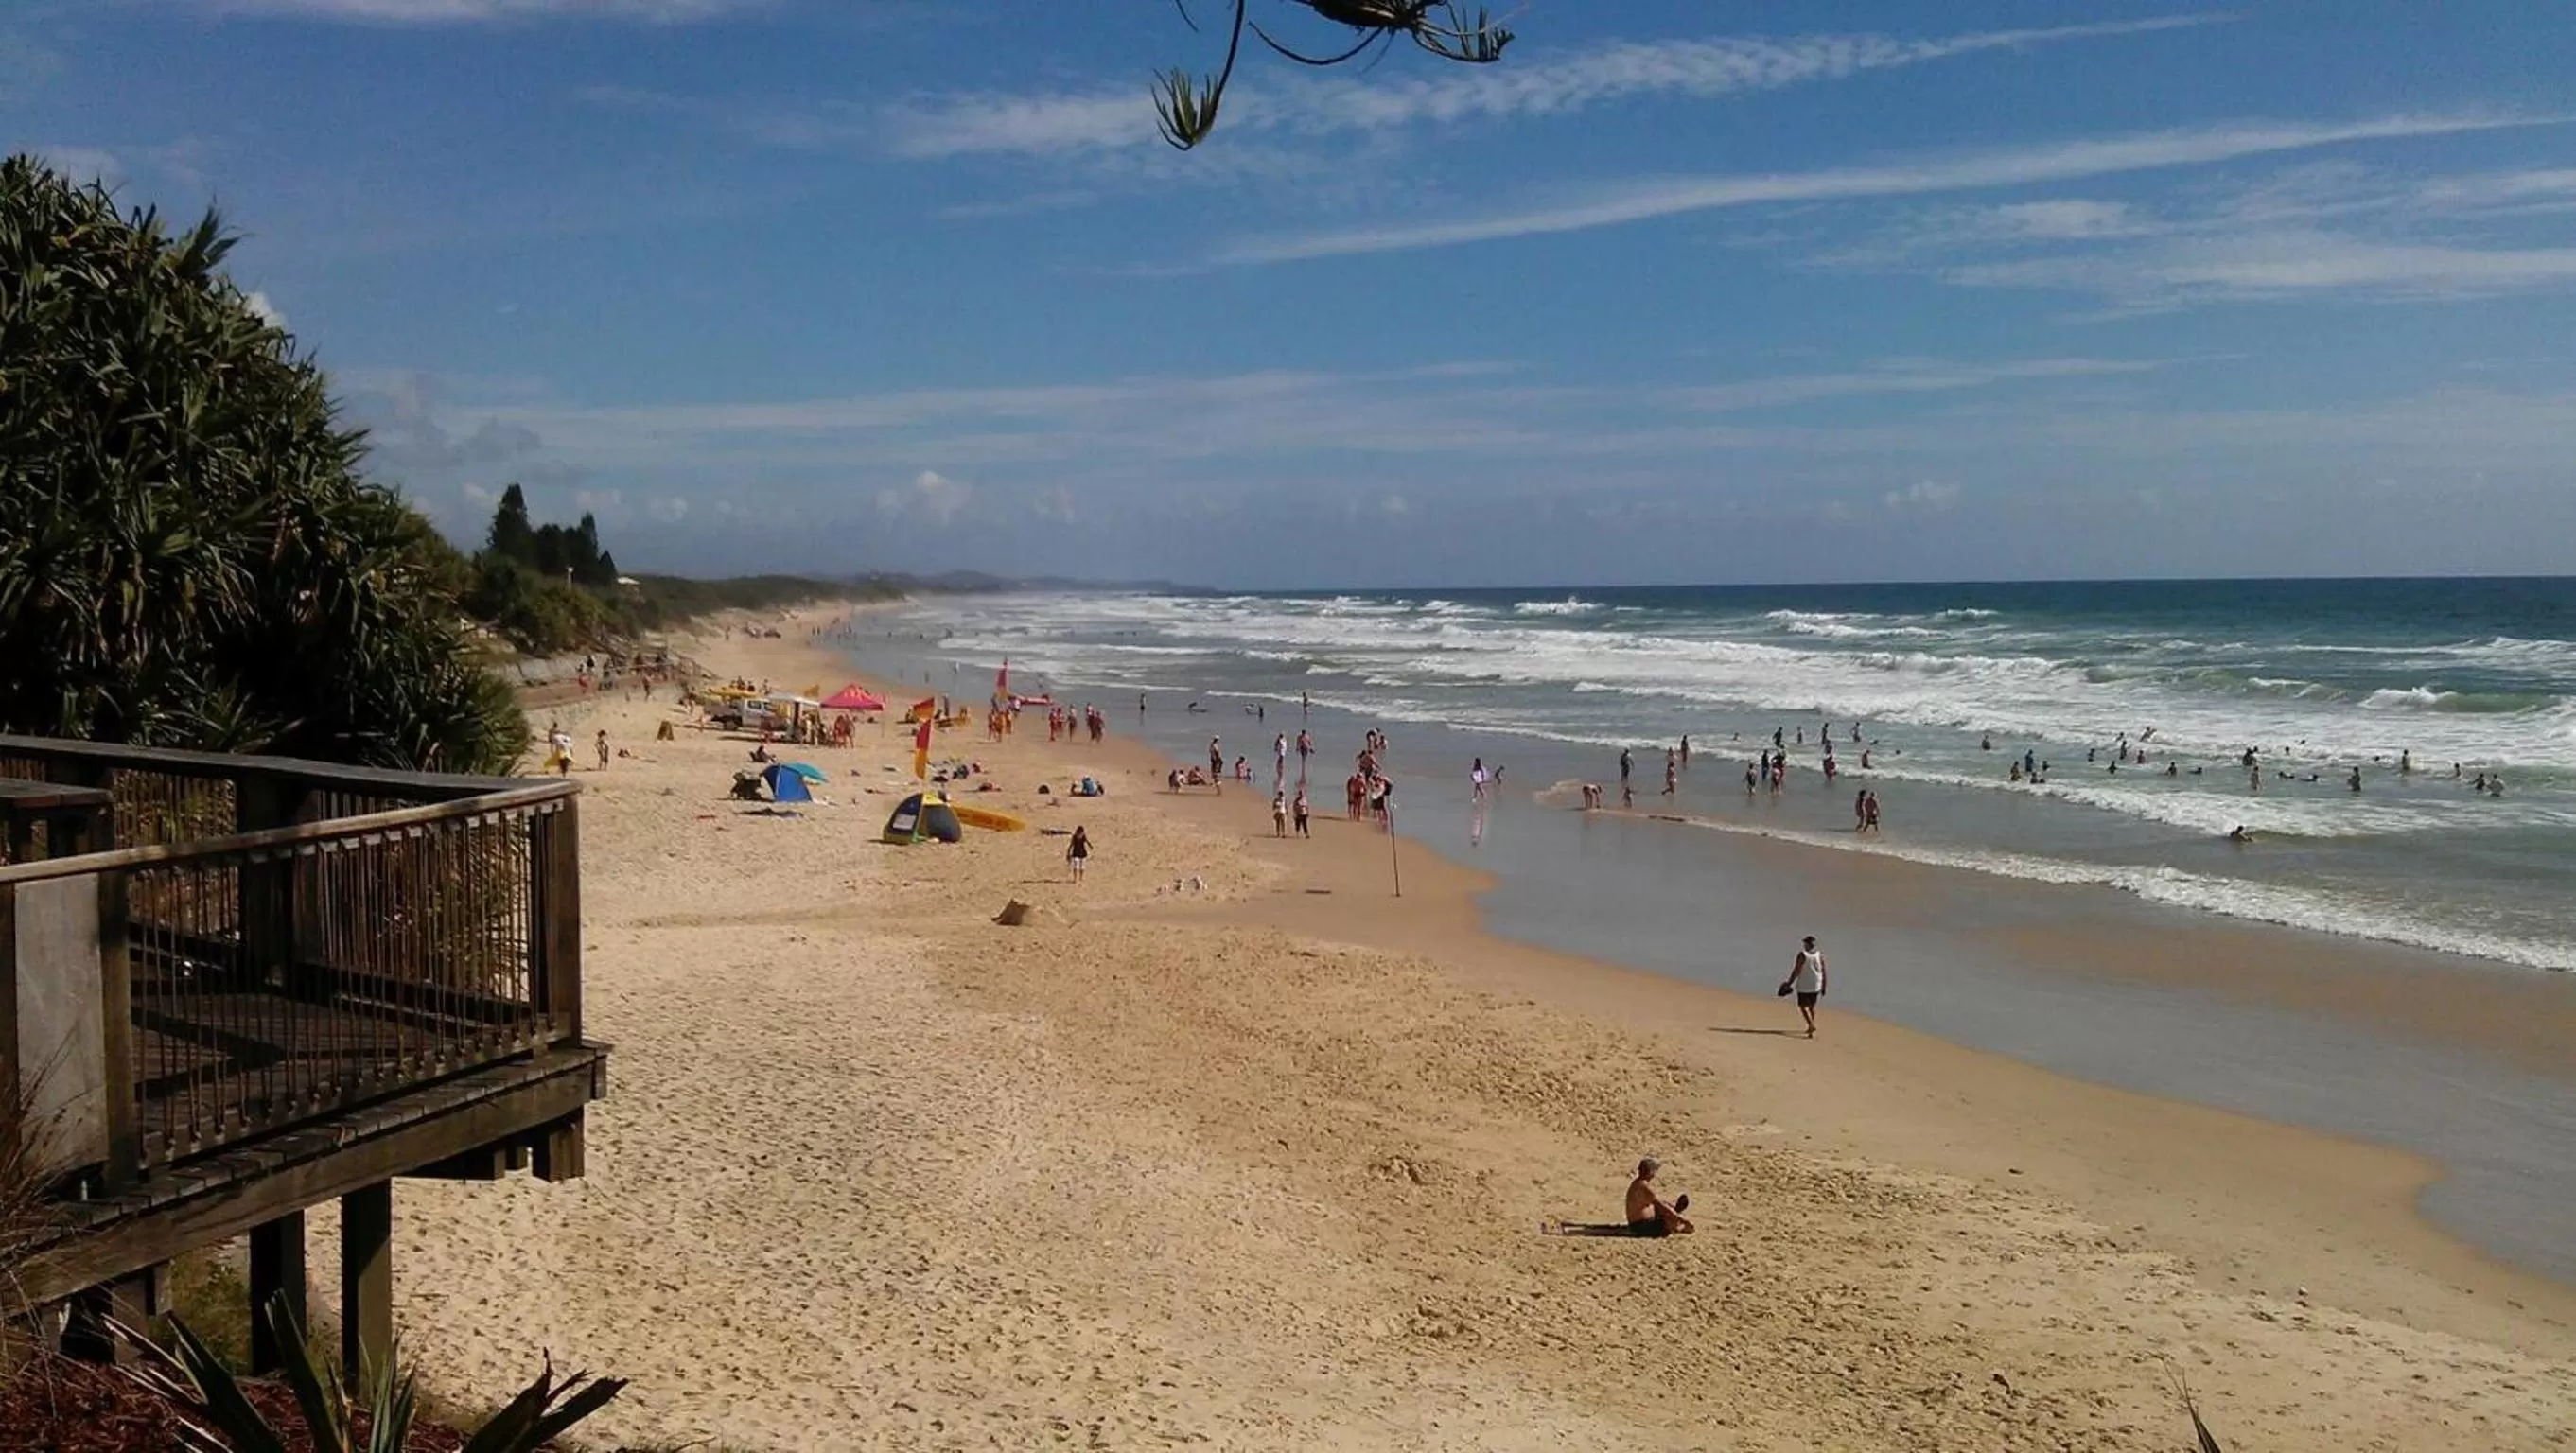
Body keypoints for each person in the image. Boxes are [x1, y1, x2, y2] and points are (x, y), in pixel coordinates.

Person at [1624, 1158, 1693, 1236]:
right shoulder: (1644, 1187)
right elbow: (1661, 1207)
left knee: (1666, 1209)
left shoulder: (1638, 1183)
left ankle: (1675, 1210)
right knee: (1668, 1221)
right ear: (1650, 1172)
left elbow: (1655, 1202)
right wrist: (1682, 1220)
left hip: (1639, 1223)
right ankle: (1680, 1227)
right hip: (1641, 1226)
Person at [1782, 935, 1827, 1038]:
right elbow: (1823, 971)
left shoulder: (1802, 955)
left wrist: (1789, 982)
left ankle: (1811, 1025)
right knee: (1811, 1007)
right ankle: (1810, 1029)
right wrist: (1824, 985)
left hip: (1804, 985)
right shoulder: (1820, 955)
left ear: (1807, 944)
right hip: (1816, 984)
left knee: (1802, 1006)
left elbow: (1797, 970)